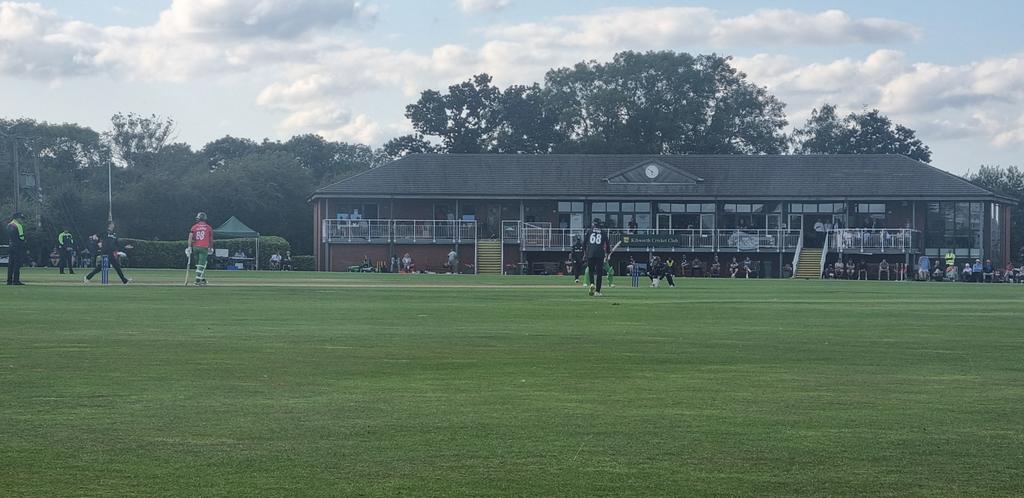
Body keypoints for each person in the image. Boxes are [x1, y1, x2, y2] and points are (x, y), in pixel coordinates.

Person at [583, 220, 610, 297]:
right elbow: (607, 245)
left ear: (594, 225)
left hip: (590, 253)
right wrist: (607, 255)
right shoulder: (603, 232)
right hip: (600, 254)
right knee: (599, 273)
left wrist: (585, 253)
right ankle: (597, 291)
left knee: (590, 270)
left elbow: (584, 243)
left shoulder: (589, 231)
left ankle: (592, 284)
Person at [186, 212, 213, 286]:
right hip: (204, 247)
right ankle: (197, 280)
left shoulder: (194, 227)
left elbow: (190, 238)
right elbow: (210, 239)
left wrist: (189, 247)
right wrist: (211, 247)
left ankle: (202, 278)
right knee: (201, 264)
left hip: (195, 247)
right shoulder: (208, 227)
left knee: (199, 264)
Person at [6, 212, 26, 285]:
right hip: (17, 246)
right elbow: (22, 237)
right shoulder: (18, 225)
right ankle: (16, 280)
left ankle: (9, 280)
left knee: (10, 263)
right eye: (21, 218)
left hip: (10, 245)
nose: (22, 220)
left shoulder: (8, 225)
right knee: (17, 263)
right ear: (17, 218)